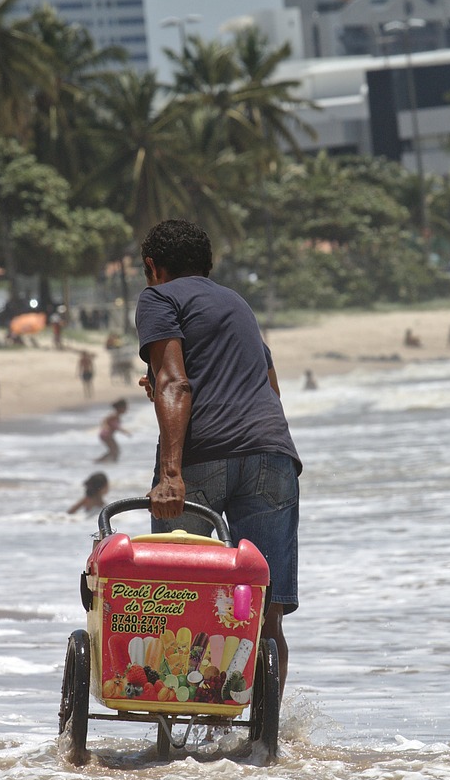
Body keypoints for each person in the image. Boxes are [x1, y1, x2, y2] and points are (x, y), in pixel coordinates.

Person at [135, 218, 301, 695]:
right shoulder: (237, 305)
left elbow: (174, 382)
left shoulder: (159, 298)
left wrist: (170, 474)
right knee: (264, 615)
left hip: (204, 455)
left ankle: (177, 728)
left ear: (153, 267)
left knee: (175, 602)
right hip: (272, 455)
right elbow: (264, 386)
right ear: (208, 266)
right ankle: (261, 744)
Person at [95, 398, 129, 463]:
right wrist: (106, 427)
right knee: (114, 451)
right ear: (120, 408)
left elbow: (116, 427)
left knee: (115, 451)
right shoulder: (114, 415)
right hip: (106, 434)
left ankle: (108, 462)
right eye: (125, 407)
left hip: (108, 435)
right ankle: (101, 461)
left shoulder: (117, 416)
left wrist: (124, 432)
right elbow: (105, 420)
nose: (126, 409)